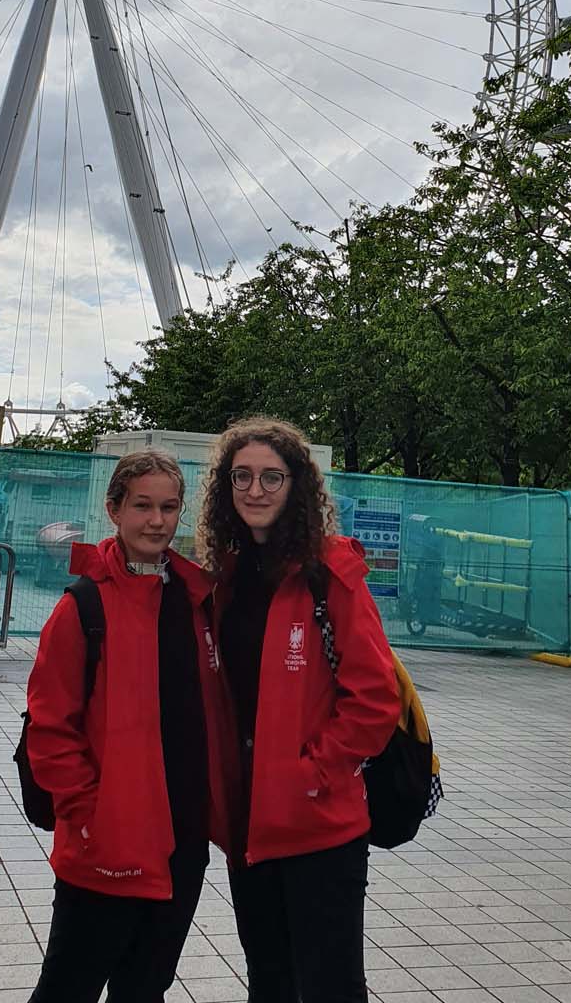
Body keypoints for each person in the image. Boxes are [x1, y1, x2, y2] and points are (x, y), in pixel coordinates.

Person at [197, 416, 400, 1003]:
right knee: (270, 982)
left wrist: (313, 774)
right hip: (250, 820)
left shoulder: (328, 573)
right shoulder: (227, 576)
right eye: (241, 477)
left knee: (331, 986)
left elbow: (375, 697)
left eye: (271, 477)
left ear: (297, 486)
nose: (255, 490)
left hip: (317, 822)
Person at [25, 449, 236, 1003]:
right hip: (108, 838)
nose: (157, 521)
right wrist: (87, 814)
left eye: (169, 507)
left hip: (182, 838)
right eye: (142, 506)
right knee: (67, 988)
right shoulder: (83, 607)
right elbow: (50, 727)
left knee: (144, 989)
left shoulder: (196, 599)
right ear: (114, 509)